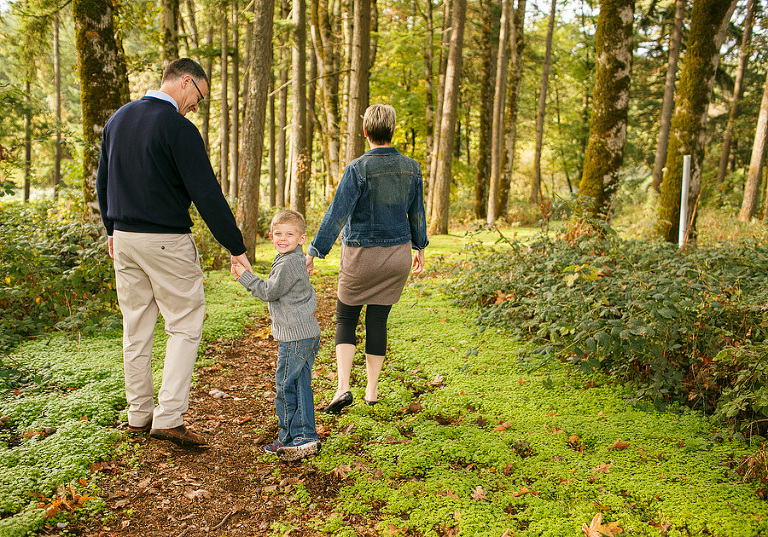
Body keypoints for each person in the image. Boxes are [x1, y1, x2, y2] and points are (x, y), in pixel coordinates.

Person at [96, 58, 252, 447]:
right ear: (185, 82)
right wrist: (236, 246)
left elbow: (103, 181)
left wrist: (111, 230)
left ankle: (138, 414)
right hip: (165, 240)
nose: (196, 107)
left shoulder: (118, 120)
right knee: (184, 323)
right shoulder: (178, 128)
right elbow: (206, 194)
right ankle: (168, 417)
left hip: (125, 241)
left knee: (136, 328)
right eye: (198, 97)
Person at [305, 104, 428, 413]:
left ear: (365, 132)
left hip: (361, 257)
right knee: (378, 319)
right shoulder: (412, 168)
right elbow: (417, 212)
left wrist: (315, 250)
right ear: (393, 131)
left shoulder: (358, 168)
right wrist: (420, 246)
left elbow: (337, 213)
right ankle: (371, 391)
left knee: (346, 317)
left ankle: (343, 387)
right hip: (397, 256)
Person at [232, 210, 321, 461]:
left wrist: (244, 276)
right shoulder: (288, 258)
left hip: (296, 338)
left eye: (289, 234)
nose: (283, 238)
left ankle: (292, 438)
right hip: (303, 334)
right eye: (278, 234)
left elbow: (269, 292)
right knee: (299, 385)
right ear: (271, 236)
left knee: (285, 385)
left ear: (302, 238)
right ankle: (302, 436)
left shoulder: (291, 262)